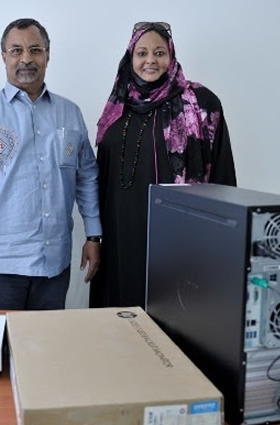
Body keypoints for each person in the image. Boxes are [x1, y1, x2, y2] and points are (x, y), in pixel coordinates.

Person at [0, 18, 101, 311]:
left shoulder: (70, 113)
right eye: (16, 50)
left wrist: (93, 235)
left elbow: (87, 178)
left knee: (49, 339)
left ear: (47, 55)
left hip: (54, 264)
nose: (26, 58)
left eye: (35, 50)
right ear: (4, 56)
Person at [90, 22, 237, 309]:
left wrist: (222, 234)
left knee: (171, 309)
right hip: (120, 232)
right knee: (121, 314)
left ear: (171, 56)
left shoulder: (200, 103)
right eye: (142, 53)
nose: (151, 60)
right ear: (130, 58)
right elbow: (99, 178)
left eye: (159, 53)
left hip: (177, 235)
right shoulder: (117, 107)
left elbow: (222, 172)